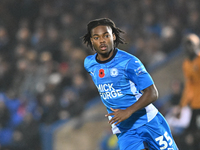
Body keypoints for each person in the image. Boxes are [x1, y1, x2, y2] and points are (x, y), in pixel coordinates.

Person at [82, 18, 178, 150]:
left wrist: (128, 111)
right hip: (125, 130)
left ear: (113, 36)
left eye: (106, 35)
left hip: (149, 122)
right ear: (92, 41)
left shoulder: (129, 62)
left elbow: (153, 93)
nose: (102, 40)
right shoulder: (89, 63)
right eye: (97, 37)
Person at [177, 33, 200, 149]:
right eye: (186, 45)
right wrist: (181, 106)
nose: (189, 48)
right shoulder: (186, 64)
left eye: (191, 44)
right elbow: (188, 85)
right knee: (191, 133)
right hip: (194, 103)